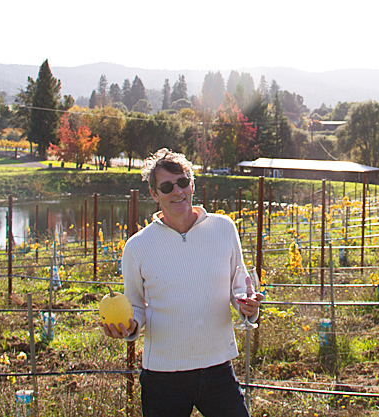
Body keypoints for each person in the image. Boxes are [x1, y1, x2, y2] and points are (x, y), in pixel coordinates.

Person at [101, 148, 263, 416]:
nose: (177, 191)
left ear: (192, 184)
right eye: (166, 186)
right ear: (154, 194)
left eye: (183, 182)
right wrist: (128, 327)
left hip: (217, 368)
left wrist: (249, 306)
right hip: (163, 376)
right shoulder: (137, 247)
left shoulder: (224, 228)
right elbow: (136, 307)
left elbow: (239, 288)